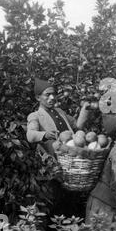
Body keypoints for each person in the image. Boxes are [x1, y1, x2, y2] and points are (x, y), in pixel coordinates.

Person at [26, 78, 95, 220]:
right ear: (38, 97)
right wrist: (44, 134)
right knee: (54, 202)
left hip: (71, 163)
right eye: (47, 94)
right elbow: (30, 135)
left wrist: (84, 109)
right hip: (53, 167)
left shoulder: (60, 112)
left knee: (70, 202)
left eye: (53, 94)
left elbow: (78, 126)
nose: (52, 97)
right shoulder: (35, 116)